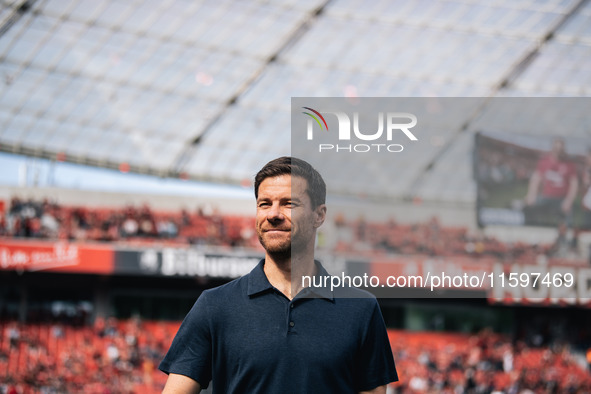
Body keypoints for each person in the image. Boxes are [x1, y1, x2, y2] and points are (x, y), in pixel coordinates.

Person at [159, 156, 397, 393]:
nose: (273, 213)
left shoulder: (361, 308)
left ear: (319, 215)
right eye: (264, 204)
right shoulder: (214, 306)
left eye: (288, 203)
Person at [524, 137, 578, 227]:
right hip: (546, 197)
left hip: (561, 199)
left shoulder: (569, 164)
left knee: (567, 219)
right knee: (529, 207)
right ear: (552, 148)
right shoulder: (544, 162)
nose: (558, 151)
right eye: (556, 148)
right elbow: (535, 179)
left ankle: (565, 235)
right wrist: (531, 195)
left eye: (560, 148)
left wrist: (569, 201)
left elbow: (574, 184)